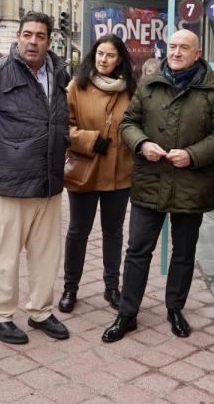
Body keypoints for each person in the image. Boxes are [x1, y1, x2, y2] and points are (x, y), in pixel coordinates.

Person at [102, 29, 214, 342]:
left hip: (191, 182)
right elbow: (128, 124)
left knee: (184, 252)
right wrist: (141, 144)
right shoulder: (150, 84)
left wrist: (192, 155)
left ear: (197, 52)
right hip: (151, 180)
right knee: (137, 249)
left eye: (183, 48)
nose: (175, 53)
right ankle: (127, 313)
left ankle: (175, 308)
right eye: (172, 46)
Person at [0, 12, 71, 345]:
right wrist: (2, 160)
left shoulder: (59, 73)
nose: (33, 41)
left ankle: (40, 311)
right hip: (9, 185)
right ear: (19, 37)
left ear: (49, 40)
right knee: (5, 256)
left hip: (49, 183)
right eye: (27, 34)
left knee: (45, 255)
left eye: (40, 35)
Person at [58, 34, 136, 313]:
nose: (104, 60)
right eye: (100, 54)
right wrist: (89, 140)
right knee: (78, 231)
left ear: (120, 59)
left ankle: (111, 287)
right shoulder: (76, 86)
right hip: (85, 170)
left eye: (111, 55)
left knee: (113, 232)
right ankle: (70, 287)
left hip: (120, 172)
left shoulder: (131, 89)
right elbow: (62, 126)